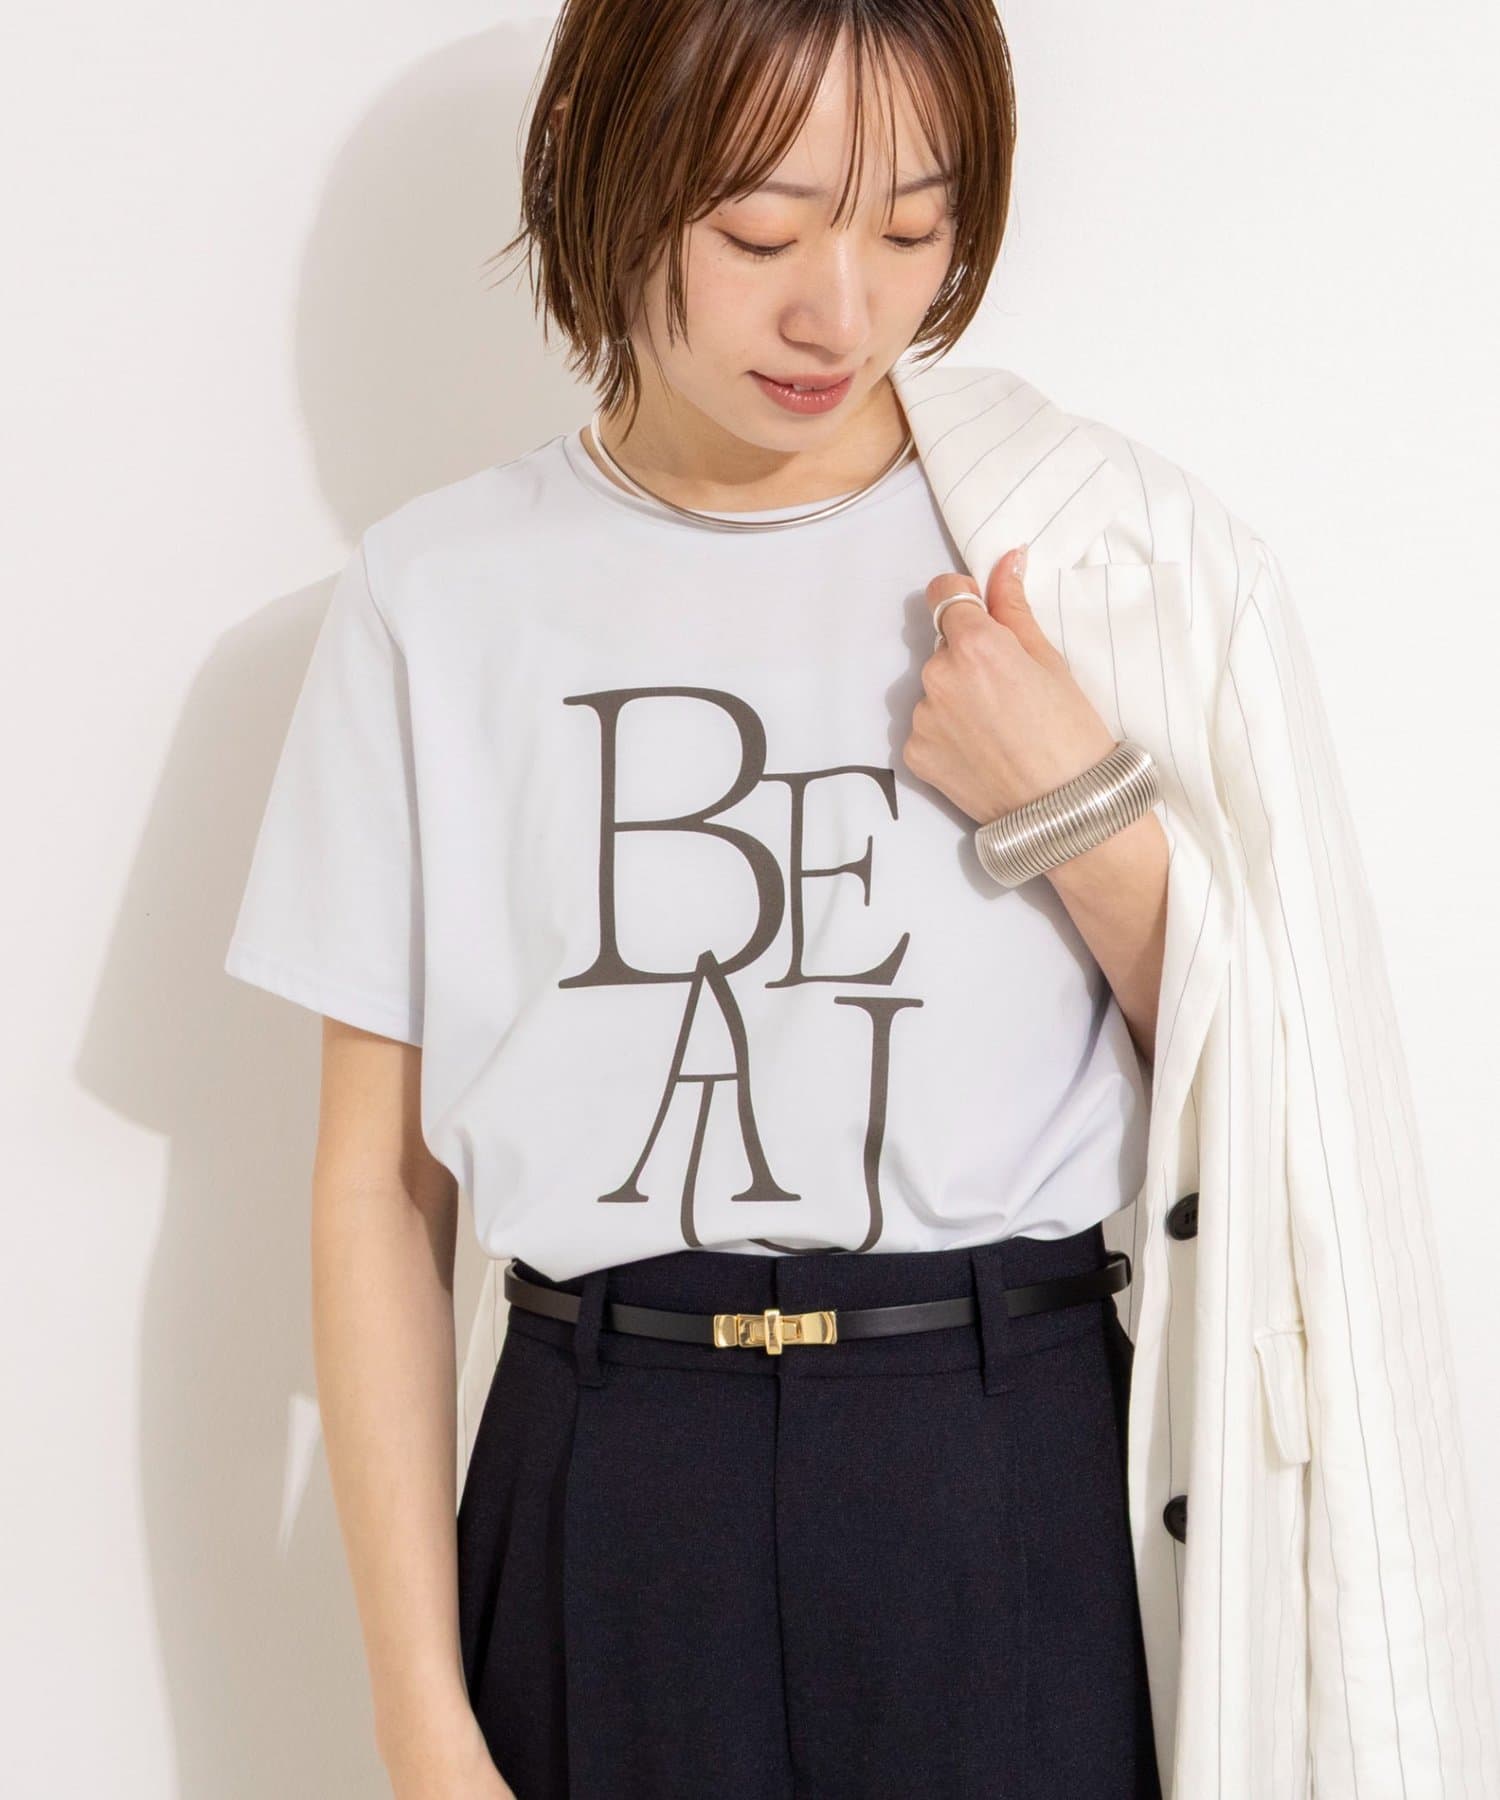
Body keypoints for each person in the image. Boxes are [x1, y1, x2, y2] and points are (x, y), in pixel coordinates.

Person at [224, 2, 1496, 1797]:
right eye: (761, 231)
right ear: (595, 157)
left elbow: (1273, 1089)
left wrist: (1073, 801)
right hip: (603, 1483)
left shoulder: (1094, 557)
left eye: (912, 227)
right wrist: (418, 1716)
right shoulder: (434, 598)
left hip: (1004, 1469)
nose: (842, 311)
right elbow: (377, 1182)